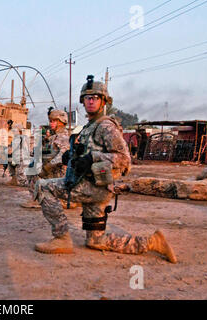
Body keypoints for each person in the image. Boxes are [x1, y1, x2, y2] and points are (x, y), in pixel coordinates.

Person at [32, 75, 177, 263]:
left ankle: (61, 238)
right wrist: (73, 158)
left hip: (93, 187)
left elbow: (125, 160)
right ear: (82, 101)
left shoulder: (106, 126)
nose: (91, 101)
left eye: (96, 97)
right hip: (94, 186)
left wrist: (92, 158)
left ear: (103, 101)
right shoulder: (89, 127)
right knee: (96, 240)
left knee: (43, 187)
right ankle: (152, 242)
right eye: (87, 97)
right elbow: (87, 153)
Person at [21, 109, 70, 208]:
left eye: (54, 121)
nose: (51, 123)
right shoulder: (54, 137)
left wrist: (46, 167)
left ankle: (42, 199)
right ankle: (41, 197)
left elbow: (62, 156)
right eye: (50, 121)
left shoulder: (63, 137)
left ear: (61, 122)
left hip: (58, 171)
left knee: (34, 173)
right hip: (52, 170)